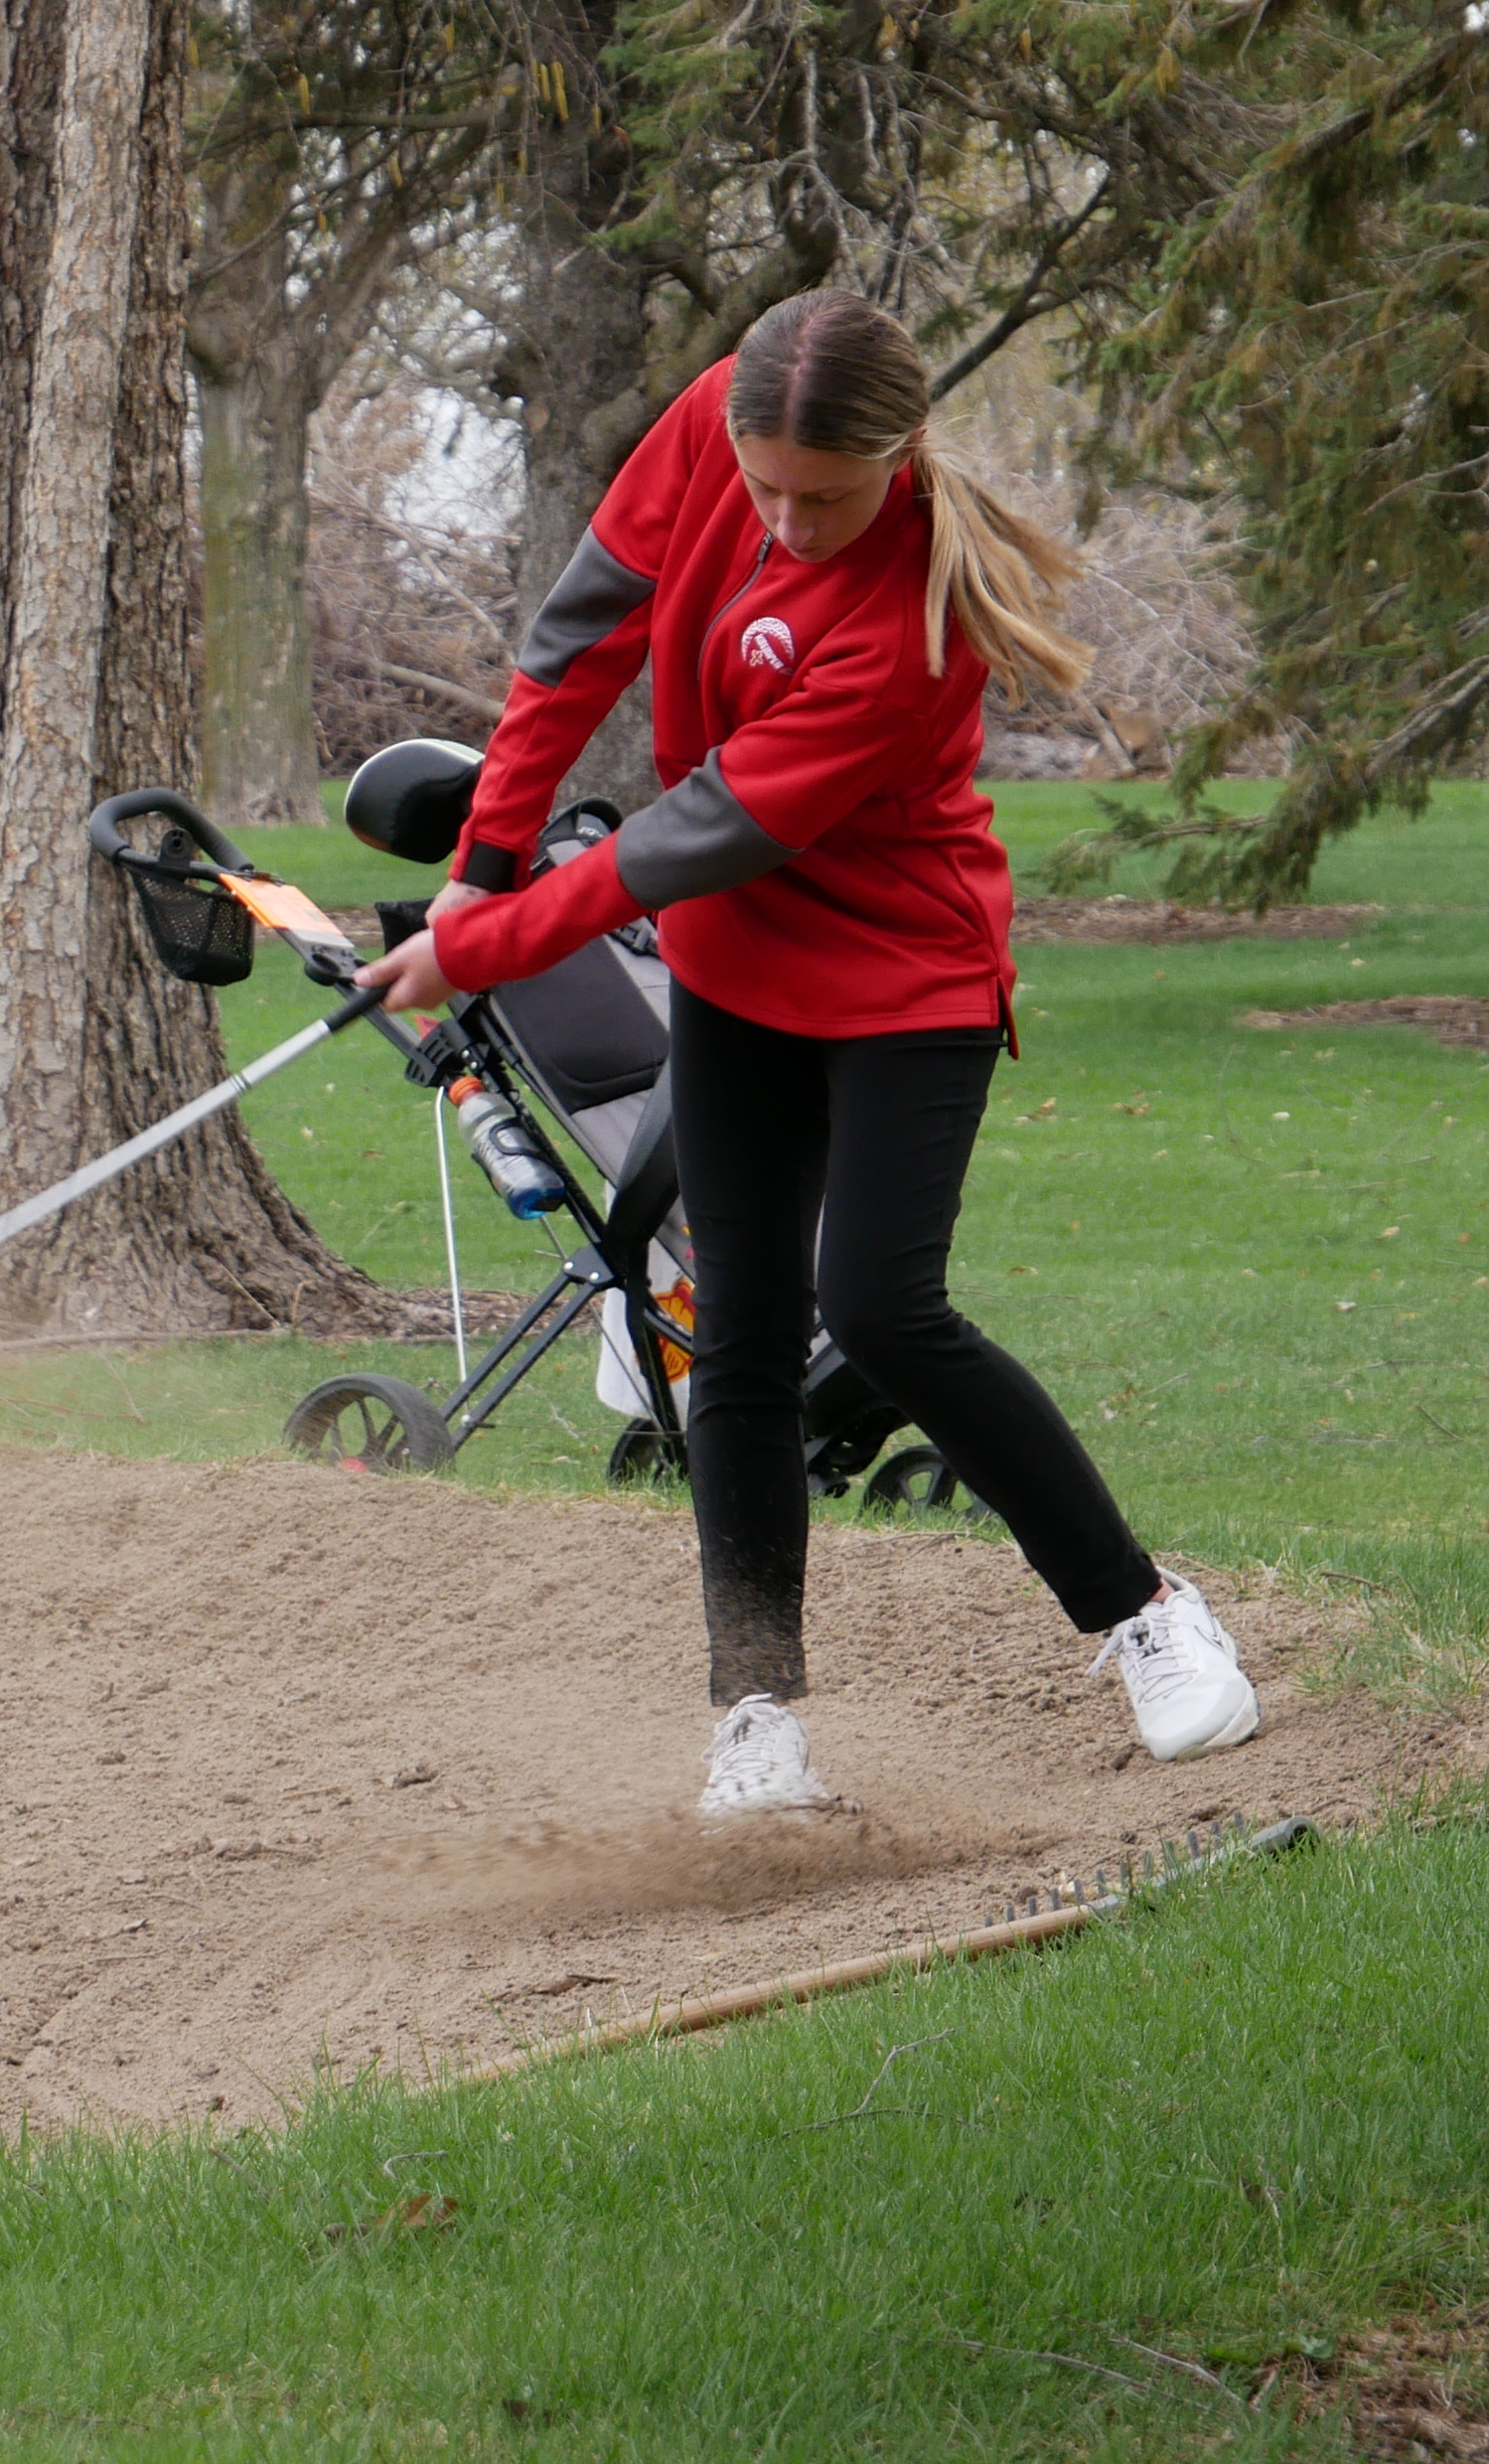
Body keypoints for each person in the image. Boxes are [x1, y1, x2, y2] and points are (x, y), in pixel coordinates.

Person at [352, 290, 1261, 1813]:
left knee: (886, 1309)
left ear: (901, 454)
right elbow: (582, 635)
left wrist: (473, 948)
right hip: (736, 979)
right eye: (762, 483)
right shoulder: (718, 418)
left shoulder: (910, 622)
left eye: (820, 495)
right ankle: (756, 1717)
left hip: (905, 978)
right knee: (740, 1337)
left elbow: (695, 835)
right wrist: (486, 860)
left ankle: (1147, 1615)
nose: (782, 517)